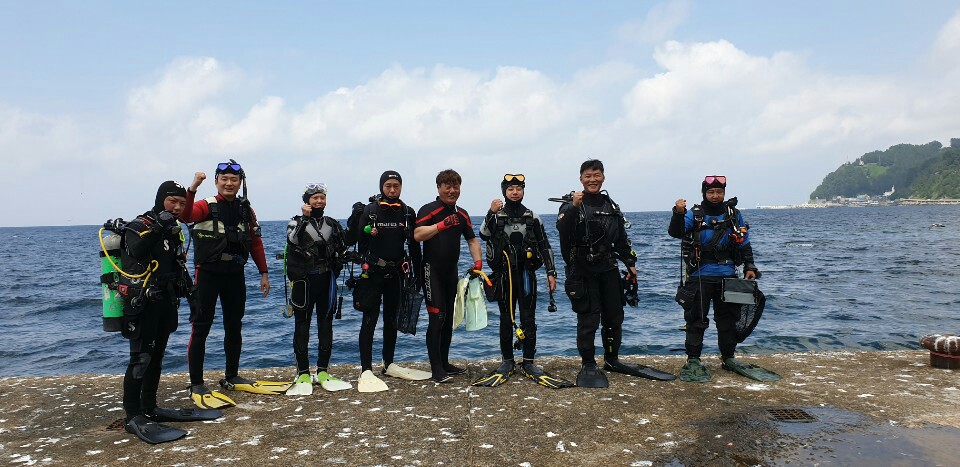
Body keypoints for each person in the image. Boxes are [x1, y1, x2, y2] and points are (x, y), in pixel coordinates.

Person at [118, 181, 222, 444]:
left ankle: (150, 407)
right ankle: (133, 415)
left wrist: (193, 296)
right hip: (142, 303)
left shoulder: (173, 230)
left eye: (182, 203)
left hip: (165, 300)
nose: (177, 207)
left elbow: (177, 264)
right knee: (141, 358)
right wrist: (159, 227)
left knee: (157, 356)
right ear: (160, 200)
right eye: (172, 201)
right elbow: (137, 251)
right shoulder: (139, 226)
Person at [556, 159, 675, 388]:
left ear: (603, 177)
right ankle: (588, 363)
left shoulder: (611, 206)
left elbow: (621, 239)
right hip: (583, 270)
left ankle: (612, 359)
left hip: (609, 268)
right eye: (588, 176)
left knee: (614, 316)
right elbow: (562, 228)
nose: (592, 180)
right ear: (581, 179)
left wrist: (630, 264)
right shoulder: (571, 204)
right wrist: (573, 207)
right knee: (589, 319)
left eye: (597, 175)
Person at [180, 161, 281, 408]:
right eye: (224, 179)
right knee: (201, 327)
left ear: (240, 183)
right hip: (207, 275)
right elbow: (185, 216)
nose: (229, 183)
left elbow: (255, 242)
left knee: (234, 326)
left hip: (235, 274)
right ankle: (196, 383)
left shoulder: (246, 209)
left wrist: (264, 273)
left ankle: (231, 376)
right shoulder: (205, 205)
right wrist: (192, 188)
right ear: (216, 181)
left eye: (233, 180)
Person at [472, 174, 572, 389]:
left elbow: (545, 245)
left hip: (527, 276)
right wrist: (491, 211)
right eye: (510, 189)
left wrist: (551, 273)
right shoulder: (497, 216)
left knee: (528, 318)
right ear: (504, 192)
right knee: (505, 319)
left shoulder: (532, 217)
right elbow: (483, 234)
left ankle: (528, 362)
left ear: (523, 191)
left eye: (518, 188)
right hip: (504, 276)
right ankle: (507, 361)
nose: (515, 192)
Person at [668, 175, 765, 382]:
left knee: (728, 320)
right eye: (711, 192)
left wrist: (749, 265)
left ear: (724, 193)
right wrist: (677, 213)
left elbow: (744, 242)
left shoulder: (733, 215)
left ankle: (728, 357)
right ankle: (693, 360)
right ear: (704, 193)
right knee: (696, 320)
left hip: (728, 275)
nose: (715, 196)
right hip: (699, 276)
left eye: (719, 192)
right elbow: (675, 232)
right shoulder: (694, 214)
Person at [346, 171, 429, 392]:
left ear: (401, 187)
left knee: (392, 320)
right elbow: (353, 240)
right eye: (388, 186)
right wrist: (355, 218)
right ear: (381, 187)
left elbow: (414, 247)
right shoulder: (370, 211)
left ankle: (388, 364)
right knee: (370, 320)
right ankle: (366, 369)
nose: (392, 190)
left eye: (396, 186)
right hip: (373, 274)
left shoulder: (407, 212)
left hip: (397, 274)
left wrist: (418, 275)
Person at [414, 169, 483, 383]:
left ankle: (444, 363)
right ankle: (436, 370)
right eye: (447, 186)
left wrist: (478, 263)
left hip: (451, 273)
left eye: (456, 186)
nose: (452, 190)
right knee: (437, 318)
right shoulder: (429, 210)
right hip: (431, 271)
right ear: (439, 188)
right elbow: (417, 235)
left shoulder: (462, 214)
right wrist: (440, 226)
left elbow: (472, 240)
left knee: (448, 319)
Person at [284, 183, 352, 395]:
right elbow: (292, 240)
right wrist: (305, 219)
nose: (319, 201)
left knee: (326, 325)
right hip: (304, 282)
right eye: (315, 198)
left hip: (327, 280)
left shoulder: (331, 223)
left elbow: (345, 244)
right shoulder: (296, 221)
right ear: (307, 200)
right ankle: (303, 372)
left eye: (322, 197)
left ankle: (322, 371)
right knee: (302, 325)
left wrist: (358, 219)